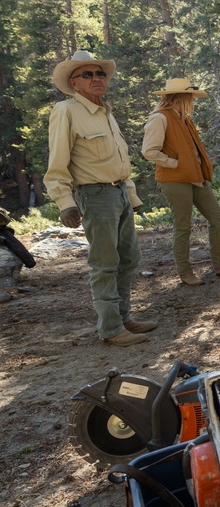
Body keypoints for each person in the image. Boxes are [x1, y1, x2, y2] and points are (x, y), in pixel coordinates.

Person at [44, 50, 157, 346]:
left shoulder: (106, 111)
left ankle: (122, 317)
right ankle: (110, 328)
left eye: (100, 74)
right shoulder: (66, 111)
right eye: (88, 74)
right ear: (74, 83)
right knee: (105, 262)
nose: (96, 79)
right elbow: (57, 163)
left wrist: (131, 195)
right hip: (94, 195)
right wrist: (65, 202)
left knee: (130, 258)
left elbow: (120, 161)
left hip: (118, 192)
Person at [141, 78, 220, 286]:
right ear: (181, 97)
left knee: (218, 217)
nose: (192, 101)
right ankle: (185, 272)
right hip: (174, 180)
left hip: (195, 177)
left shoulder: (185, 119)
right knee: (183, 225)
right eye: (190, 97)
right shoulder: (159, 118)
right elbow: (149, 151)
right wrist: (175, 164)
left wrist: (191, 166)